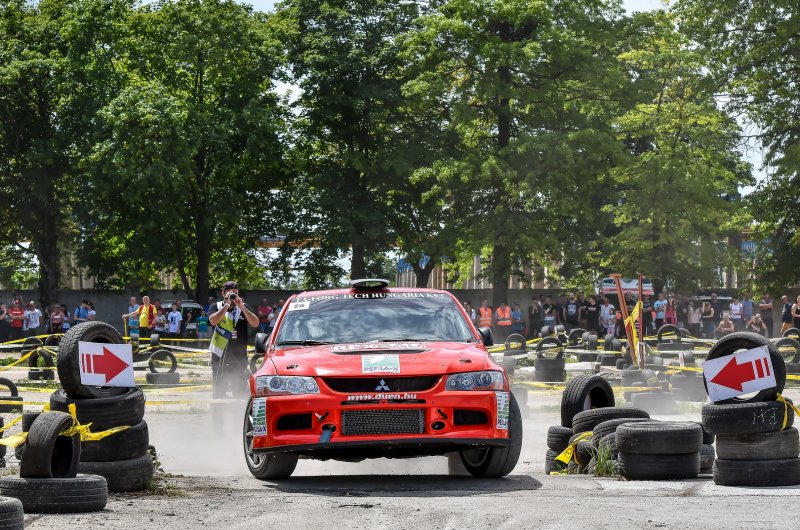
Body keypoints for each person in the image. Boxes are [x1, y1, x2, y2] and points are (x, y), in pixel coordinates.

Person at [209, 281, 258, 398]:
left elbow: (255, 323)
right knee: (219, 391)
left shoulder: (243, 307)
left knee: (239, 391)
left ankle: (238, 409)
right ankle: (218, 409)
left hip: (239, 357)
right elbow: (213, 321)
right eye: (230, 292)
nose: (233, 295)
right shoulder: (216, 306)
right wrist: (226, 305)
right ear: (223, 293)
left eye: (235, 293)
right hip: (220, 356)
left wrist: (241, 306)